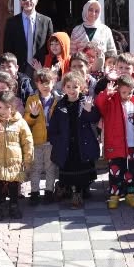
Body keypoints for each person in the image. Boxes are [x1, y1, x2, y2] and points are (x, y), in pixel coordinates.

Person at [94, 72, 134, 208]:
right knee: (115, 171)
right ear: (118, 90)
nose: (127, 95)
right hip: (115, 144)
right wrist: (106, 93)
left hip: (133, 144)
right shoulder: (111, 101)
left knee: (131, 171)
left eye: (130, 92)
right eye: (124, 92)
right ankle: (115, 195)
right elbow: (99, 104)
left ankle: (130, 194)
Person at [47, 72, 101, 209]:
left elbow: (94, 119)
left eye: (75, 87)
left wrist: (89, 110)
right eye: (68, 87)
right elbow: (53, 126)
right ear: (64, 88)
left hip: (82, 143)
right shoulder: (60, 105)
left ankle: (78, 193)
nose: (72, 90)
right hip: (65, 144)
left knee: (81, 169)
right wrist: (56, 141)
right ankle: (63, 186)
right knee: (67, 169)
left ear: (81, 87)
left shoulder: (86, 102)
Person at [0, 89, 33, 221]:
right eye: (0, 107)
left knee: (13, 185)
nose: (3, 110)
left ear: (13, 107)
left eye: (7, 107)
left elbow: (27, 140)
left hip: (14, 162)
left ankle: (13, 206)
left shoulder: (19, 121)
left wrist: (28, 158)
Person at [23, 68, 60, 205]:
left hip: (52, 140)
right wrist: (32, 115)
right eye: (41, 83)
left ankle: (49, 191)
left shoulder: (58, 99)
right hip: (37, 140)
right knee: (35, 168)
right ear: (36, 84)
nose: (45, 86)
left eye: (47, 83)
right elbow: (26, 121)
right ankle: (34, 192)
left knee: (51, 168)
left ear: (53, 82)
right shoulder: (32, 99)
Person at [3, 0, 53, 77]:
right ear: (20, 1)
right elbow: (7, 48)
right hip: (18, 69)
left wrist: (45, 67)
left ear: (36, 0)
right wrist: (9, 68)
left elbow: (50, 48)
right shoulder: (11, 22)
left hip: (40, 68)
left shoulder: (46, 21)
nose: (27, 0)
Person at [70, 0, 117, 73]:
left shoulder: (105, 30)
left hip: (101, 72)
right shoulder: (76, 30)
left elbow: (112, 53)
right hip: (81, 72)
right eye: (90, 10)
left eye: (97, 11)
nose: (93, 13)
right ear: (85, 10)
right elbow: (72, 53)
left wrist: (109, 69)